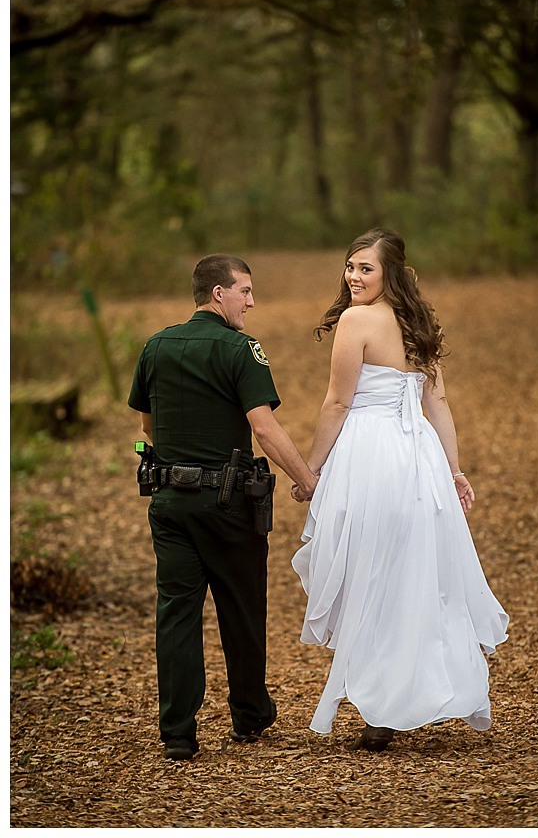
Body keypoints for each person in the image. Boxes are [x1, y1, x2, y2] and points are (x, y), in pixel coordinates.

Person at [291, 227, 509, 752]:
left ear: (390, 272)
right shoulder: (416, 322)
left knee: (373, 574)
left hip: (372, 456)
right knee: (411, 576)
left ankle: (384, 706)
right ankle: (403, 696)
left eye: (366, 268)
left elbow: (338, 404)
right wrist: (451, 469)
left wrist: (310, 471)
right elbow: (437, 405)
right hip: (418, 461)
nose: (353, 276)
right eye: (350, 267)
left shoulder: (356, 320)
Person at [128, 254, 320, 762]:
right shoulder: (241, 349)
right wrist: (308, 481)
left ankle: (178, 733)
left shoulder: (155, 346)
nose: (251, 302)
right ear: (218, 293)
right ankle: (250, 714)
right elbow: (263, 427)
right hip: (227, 502)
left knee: (176, 613)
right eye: (245, 291)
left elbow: (148, 428)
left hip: (168, 502)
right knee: (241, 606)